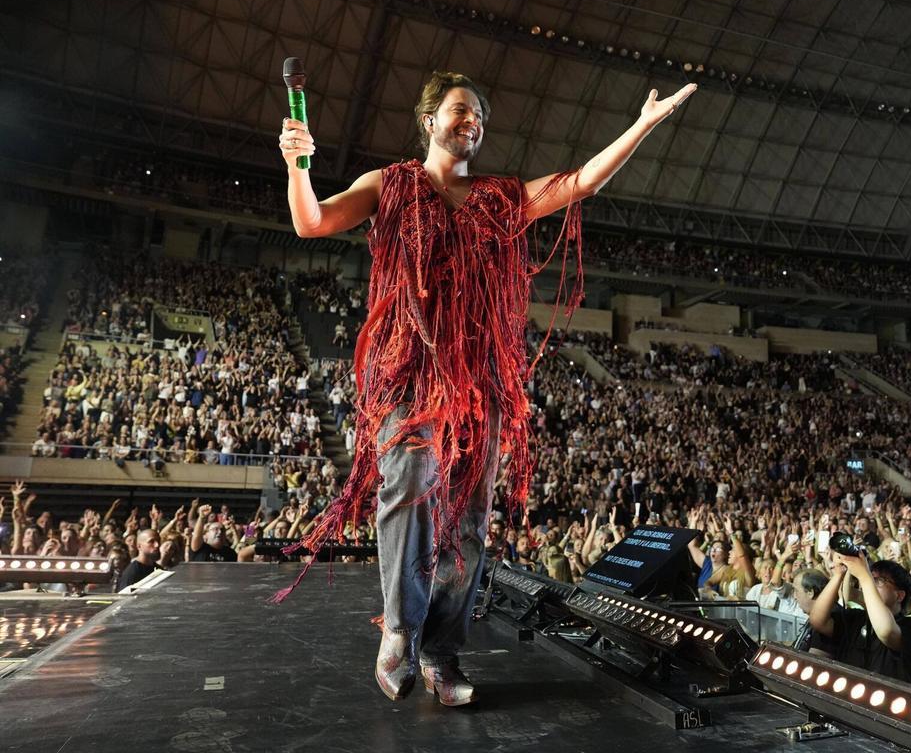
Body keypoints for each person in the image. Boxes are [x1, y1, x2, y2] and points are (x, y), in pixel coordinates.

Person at [276, 70, 696, 707]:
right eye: (459, 111)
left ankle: (443, 651)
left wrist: (642, 124)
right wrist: (298, 165)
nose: (471, 121)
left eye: (478, 116)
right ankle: (398, 631)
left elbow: (580, 182)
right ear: (428, 120)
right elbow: (310, 222)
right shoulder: (388, 186)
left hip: (480, 383)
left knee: (470, 525)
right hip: (407, 372)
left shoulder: (500, 197)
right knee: (410, 486)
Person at [808, 550, 911, 685]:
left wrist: (864, 576)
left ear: (899, 595)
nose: (868, 586)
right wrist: (839, 574)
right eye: (870, 579)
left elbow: (886, 631)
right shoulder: (856, 618)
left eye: (878, 581)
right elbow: (817, 620)